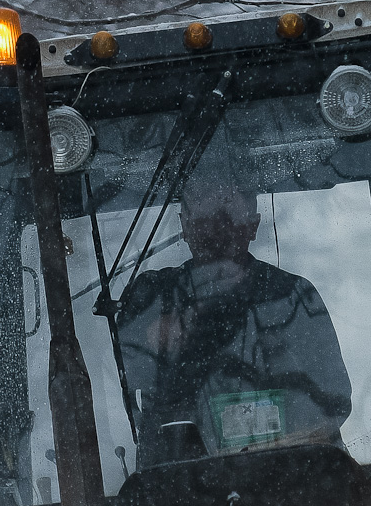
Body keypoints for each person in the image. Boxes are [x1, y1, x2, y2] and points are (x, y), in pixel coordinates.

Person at [116, 184, 352, 458]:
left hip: (288, 476)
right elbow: (128, 381)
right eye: (203, 222)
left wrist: (276, 448)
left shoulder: (293, 297)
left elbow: (333, 401)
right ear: (185, 227)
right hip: (181, 485)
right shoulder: (153, 297)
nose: (215, 234)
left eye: (227, 220)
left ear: (253, 226)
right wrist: (160, 342)